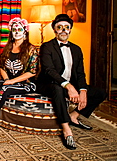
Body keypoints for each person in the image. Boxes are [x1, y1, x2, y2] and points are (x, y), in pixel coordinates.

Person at [36, 14, 107, 150]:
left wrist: (83, 90)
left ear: (70, 30)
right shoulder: (47, 47)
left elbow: (80, 74)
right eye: (59, 27)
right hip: (48, 83)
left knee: (100, 93)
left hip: (69, 85)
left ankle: (74, 116)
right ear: (54, 30)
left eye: (66, 27)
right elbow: (49, 70)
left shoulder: (76, 49)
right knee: (57, 89)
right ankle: (66, 129)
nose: (63, 30)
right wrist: (68, 86)